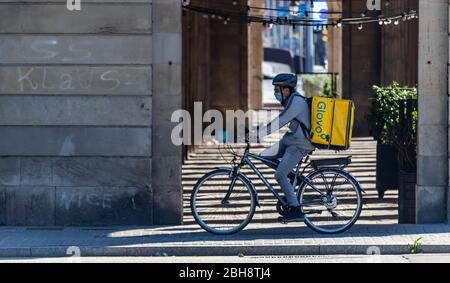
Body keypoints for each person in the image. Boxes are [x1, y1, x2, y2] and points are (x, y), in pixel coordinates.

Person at [250, 73, 315, 223]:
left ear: (286, 89)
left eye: (277, 89)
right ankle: (294, 178)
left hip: (300, 144)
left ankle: (296, 209)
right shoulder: (291, 100)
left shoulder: (297, 102)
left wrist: (257, 135)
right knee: (264, 156)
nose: (274, 92)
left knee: (280, 175)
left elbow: (280, 121)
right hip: (290, 140)